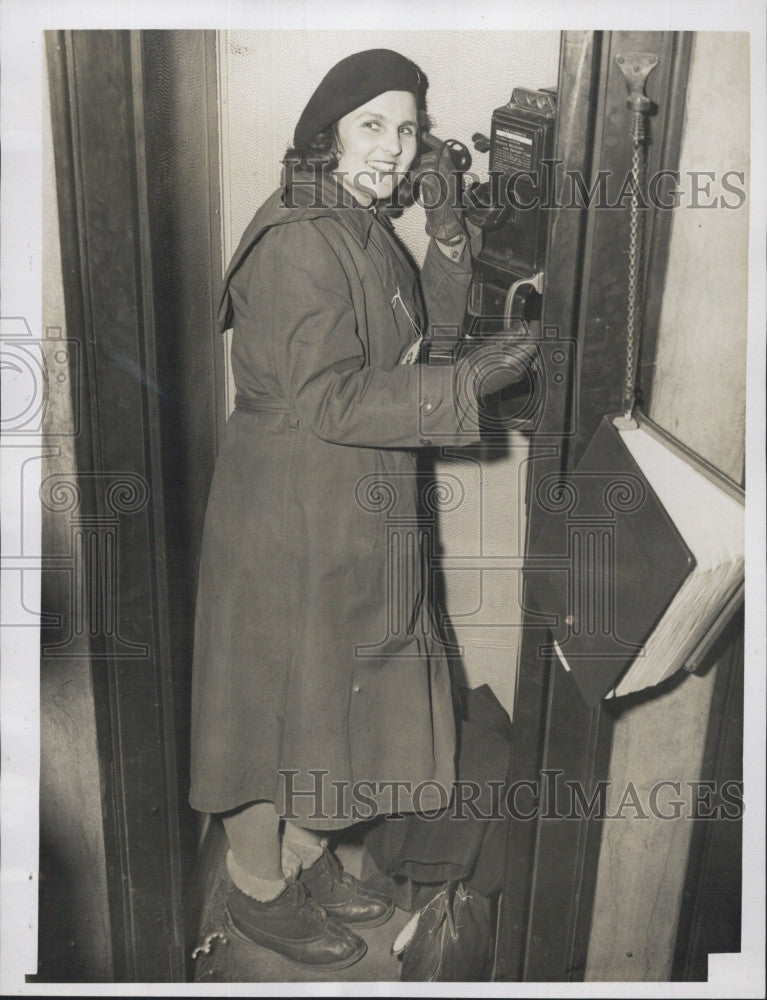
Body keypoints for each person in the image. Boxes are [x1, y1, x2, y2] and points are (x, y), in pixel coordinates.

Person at [190, 48, 534, 970]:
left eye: (408, 126)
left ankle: (301, 858)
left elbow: (415, 339)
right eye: (371, 125)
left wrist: (449, 241)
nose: (393, 146)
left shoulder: (355, 220)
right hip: (291, 505)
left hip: (346, 495)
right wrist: (473, 381)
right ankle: (255, 886)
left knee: (325, 701)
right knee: (269, 699)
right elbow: (332, 397)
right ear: (325, 135)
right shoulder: (302, 237)